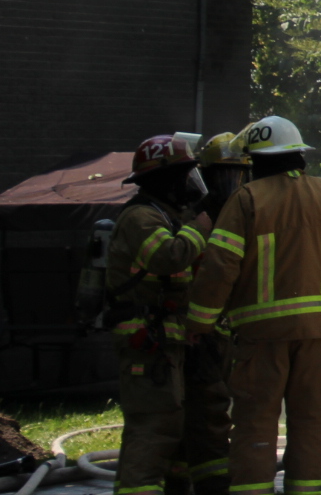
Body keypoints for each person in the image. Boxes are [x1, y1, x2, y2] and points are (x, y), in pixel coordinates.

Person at [186, 116, 321, 495]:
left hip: (261, 338)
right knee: (311, 423)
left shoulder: (246, 199)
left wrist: (199, 323)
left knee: (255, 425)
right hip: (318, 336)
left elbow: (219, 266)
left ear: (255, 160)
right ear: (298, 155)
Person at [106, 134, 230, 495]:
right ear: (164, 180)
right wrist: (200, 228)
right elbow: (167, 257)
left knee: (190, 422)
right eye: (183, 176)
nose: (189, 184)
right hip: (146, 342)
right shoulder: (139, 218)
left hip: (173, 340)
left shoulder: (168, 216)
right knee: (154, 425)